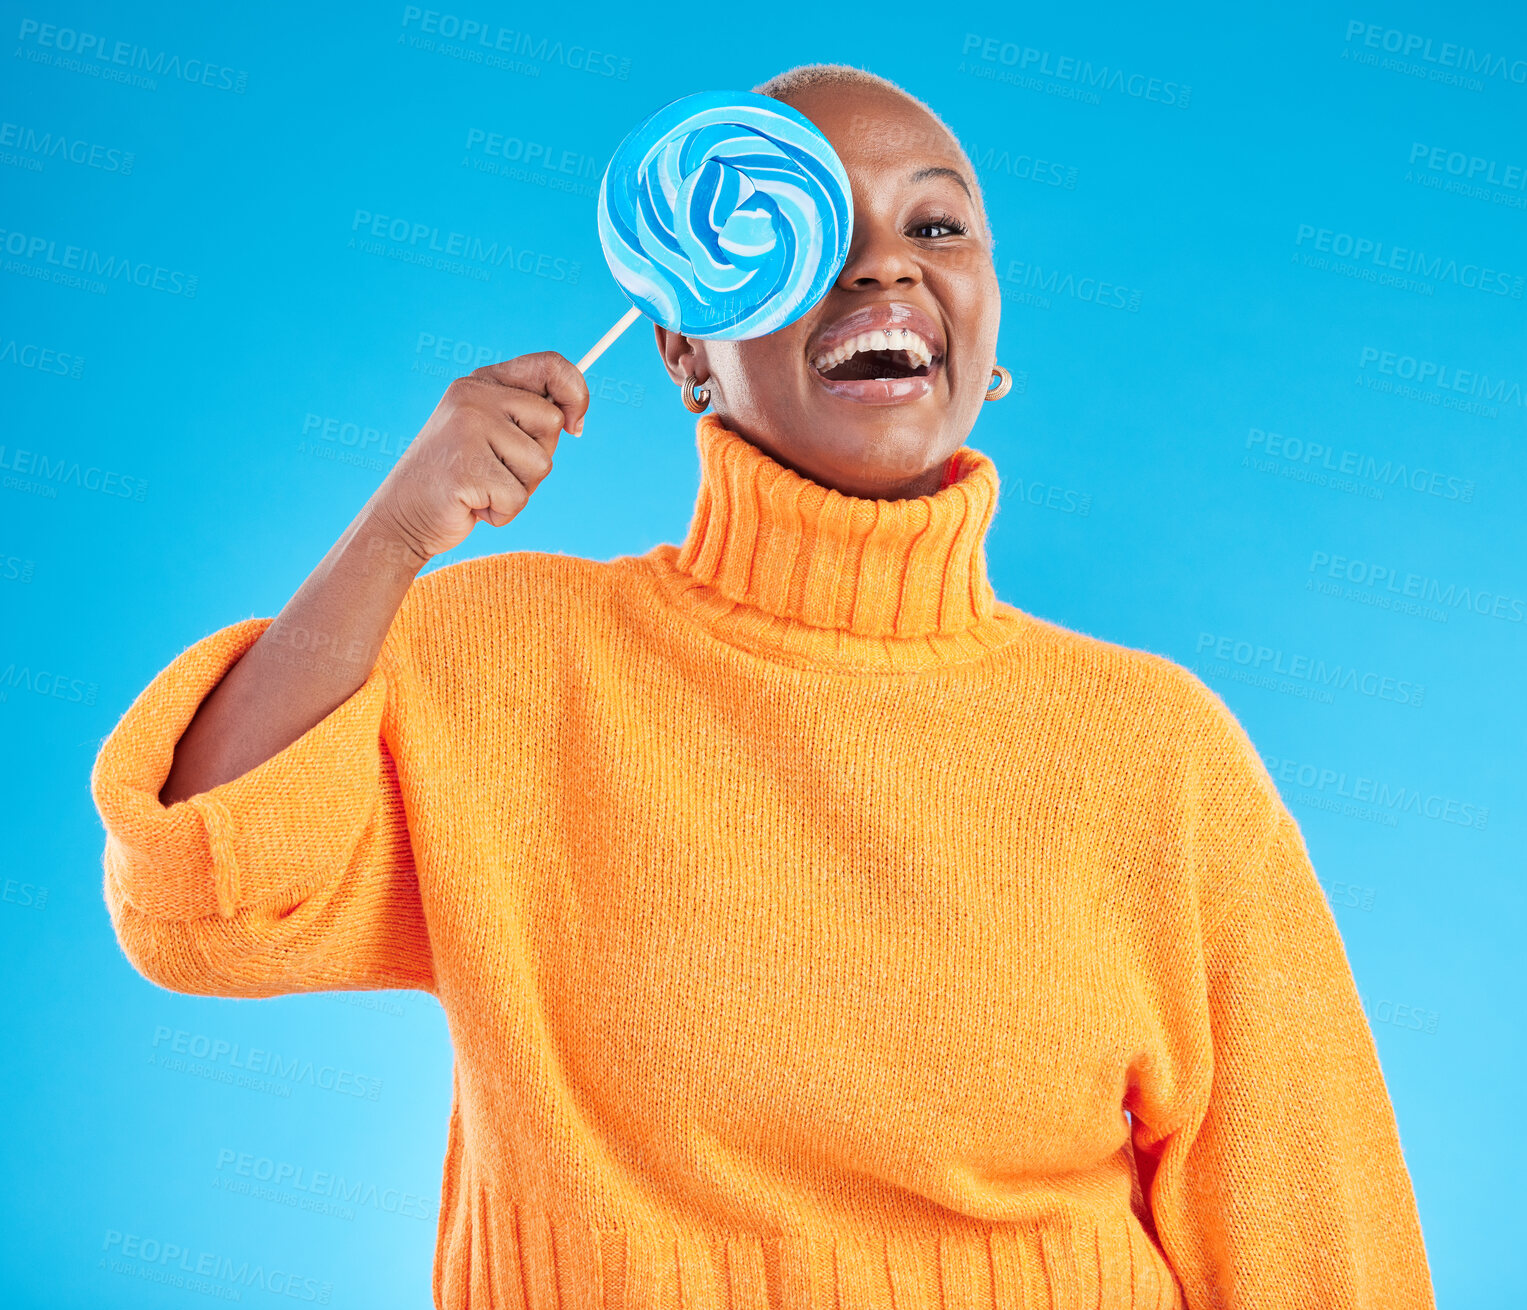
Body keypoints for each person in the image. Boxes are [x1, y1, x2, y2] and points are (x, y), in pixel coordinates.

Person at [92, 64, 1436, 1310]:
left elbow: (1324, 1237)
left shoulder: (1158, 749)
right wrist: (390, 538)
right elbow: (199, 894)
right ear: (685, 349)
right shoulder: (505, 661)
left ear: (991, 329)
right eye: (819, 230)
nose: (884, 269)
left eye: (939, 229)